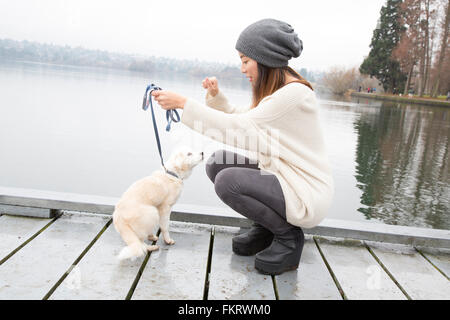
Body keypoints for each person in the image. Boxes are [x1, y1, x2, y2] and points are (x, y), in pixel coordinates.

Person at [151, 18, 334, 275]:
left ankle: (288, 238)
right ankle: (266, 227)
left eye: (245, 60)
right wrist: (216, 98)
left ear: (265, 57)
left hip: (304, 192)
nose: (242, 68)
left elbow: (240, 129)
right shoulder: (281, 89)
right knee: (217, 163)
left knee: (228, 181)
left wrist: (184, 104)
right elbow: (246, 118)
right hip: (284, 176)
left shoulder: (292, 95)